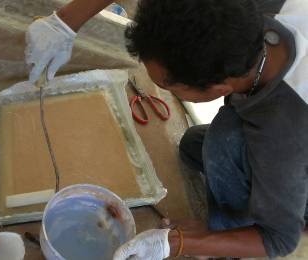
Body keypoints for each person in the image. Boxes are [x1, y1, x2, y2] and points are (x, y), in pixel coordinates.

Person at [25, 0, 308, 258]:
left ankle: (229, 238)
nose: (158, 89)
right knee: (195, 146)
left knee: (226, 143)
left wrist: (182, 243)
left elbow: (279, 240)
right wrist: (64, 22)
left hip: (295, 154)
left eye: (166, 87)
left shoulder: (284, 133)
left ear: (217, 90)